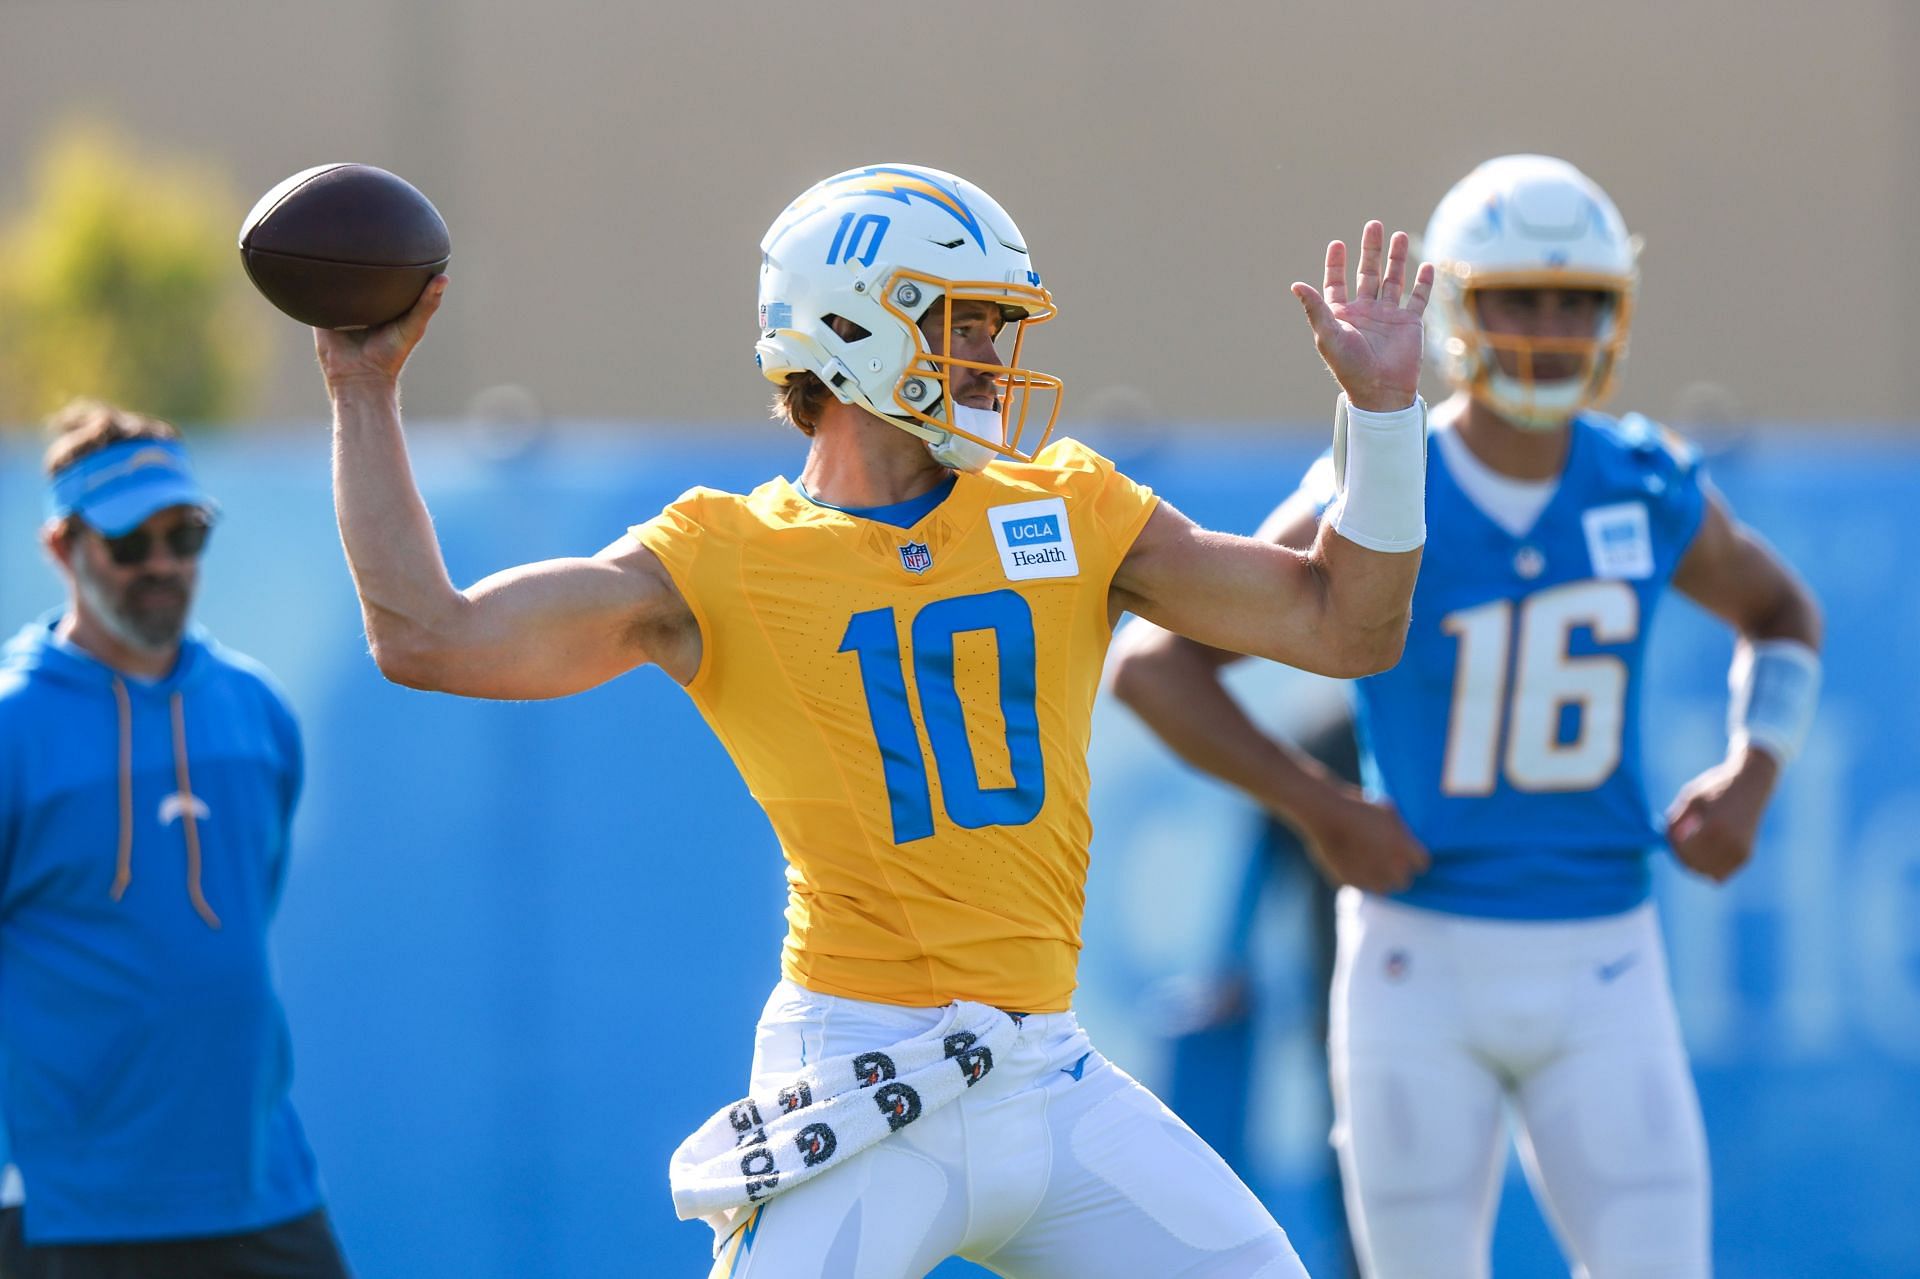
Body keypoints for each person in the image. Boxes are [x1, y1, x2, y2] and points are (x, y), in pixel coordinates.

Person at [313, 162, 1434, 1278]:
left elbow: (1347, 630)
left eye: (999, 325)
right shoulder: (724, 554)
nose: (996, 355)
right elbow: (430, 635)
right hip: (861, 1076)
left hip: (1048, 1069)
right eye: (970, 322)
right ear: (854, 328)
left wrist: (1383, 420)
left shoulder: (1069, 506)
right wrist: (363, 393)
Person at [1109, 154, 1823, 1279]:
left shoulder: (1642, 479)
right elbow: (1153, 665)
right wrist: (1322, 806)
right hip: (1418, 952)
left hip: (1605, 949)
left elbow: (1781, 611)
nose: (1549, 326)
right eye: (1518, 297)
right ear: (1455, 311)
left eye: (1577, 298)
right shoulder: (1394, 479)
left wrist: (1755, 771)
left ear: (1616, 314)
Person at [0, 403, 351, 1279]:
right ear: (62, 548)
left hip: (258, 1183)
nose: (161, 564)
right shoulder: (14, 727)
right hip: (70, 1203)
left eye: (184, 535)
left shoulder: (255, 710)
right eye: (129, 543)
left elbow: (244, 905)